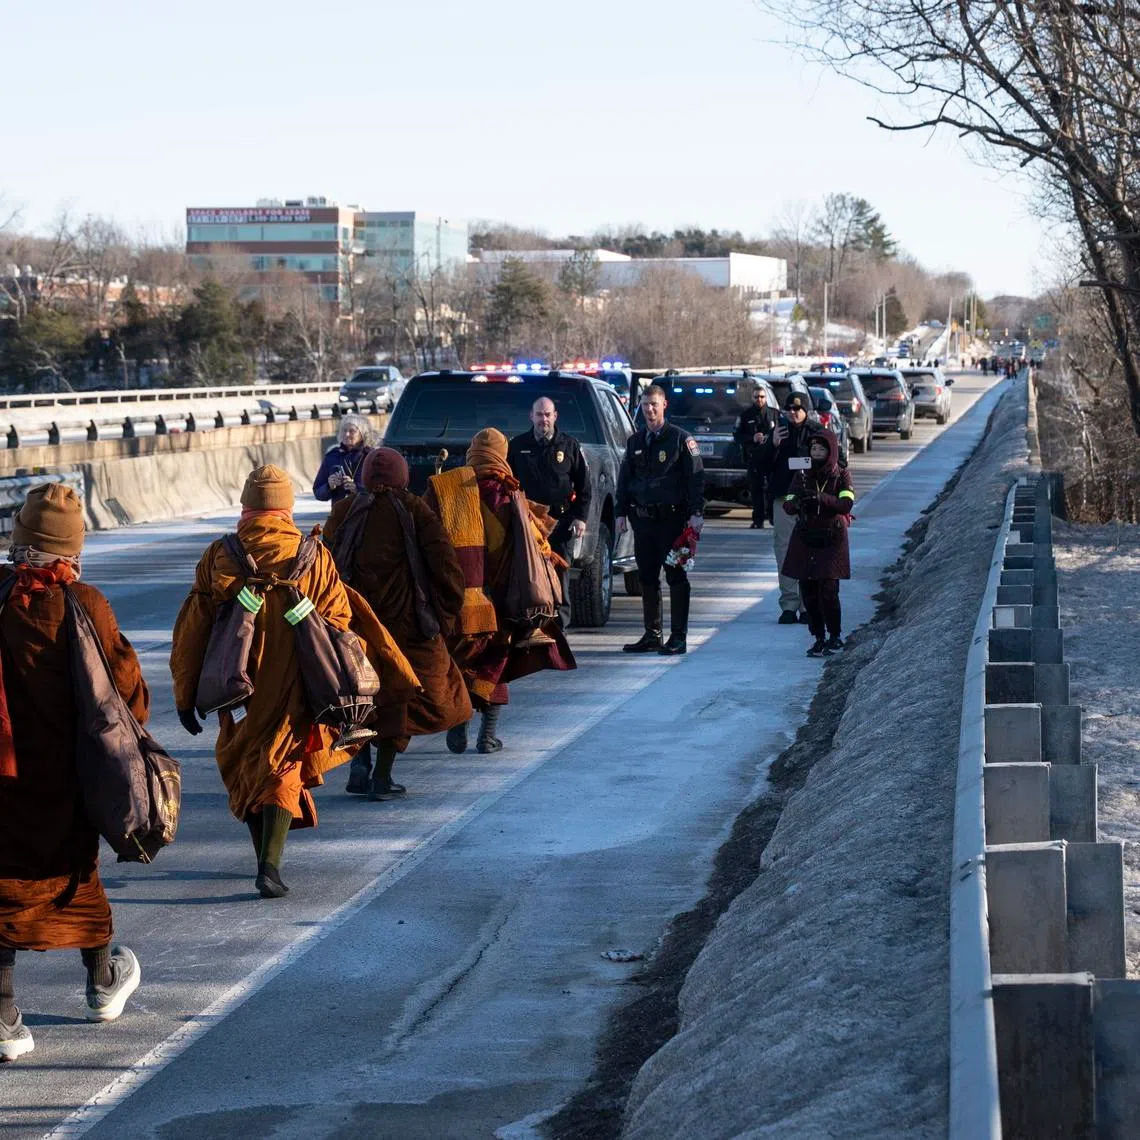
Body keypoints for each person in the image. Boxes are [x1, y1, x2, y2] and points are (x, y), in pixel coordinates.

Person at [171, 465, 400, 899]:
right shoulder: (314, 557)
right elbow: (339, 622)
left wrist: (185, 697)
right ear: (286, 509)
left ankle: (264, 858)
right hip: (297, 684)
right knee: (283, 764)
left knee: (246, 763)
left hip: (235, 687)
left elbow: (191, 633)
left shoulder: (221, 556)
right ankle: (269, 866)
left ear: (246, 507)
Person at [0, 484, 148, 1061]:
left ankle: (5, 1011)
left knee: (6, 882)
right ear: (71, 547)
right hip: (67, 781)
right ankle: (102, 981)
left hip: (6, 779)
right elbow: (125, 697)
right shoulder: (84, 604)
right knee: (75, 876)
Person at [325, 447, 472, 799]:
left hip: (353, 628)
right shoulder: (414, 510)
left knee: (357, 694)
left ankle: (359, 765)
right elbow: (445, 566)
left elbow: (322, 566)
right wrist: (447, 613)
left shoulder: (344, 511)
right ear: (402, 476)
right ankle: (382, 777)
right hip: (406, 629)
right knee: (402, 698)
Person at [423, 428, 576, 754]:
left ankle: (459, 723)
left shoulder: (446, 490)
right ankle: (486, 736)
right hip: (498, 599)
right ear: (501, 456)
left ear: (471, 453)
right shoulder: (508, 496)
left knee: (459, 662)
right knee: (494, 664)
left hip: (454, 600)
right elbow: (538, 547)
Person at [615, 383, 705, 656]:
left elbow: (696, 478)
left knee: (676, 577)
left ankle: (678, 636)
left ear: (664, 405)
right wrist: (620, 512)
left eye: (654, 404)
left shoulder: (680, 439)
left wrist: (696, 513)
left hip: (674, 522)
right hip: (643, 522)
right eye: (645, 405)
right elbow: (625, 480)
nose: (649, 410)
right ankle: (653, 634)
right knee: (647, 578)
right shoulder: (636, 441)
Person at [507, 396, 590, 627]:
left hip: (560, 522)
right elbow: (507, 483)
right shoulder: (517, 446)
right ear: (531, 416)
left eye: (547, 414)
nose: (543, 419)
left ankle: (560, 627)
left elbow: (584, 487)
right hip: (529, 523)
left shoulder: (569, 445)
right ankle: (533, 625)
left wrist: (580, 518)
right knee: (531, 575)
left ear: (555, 416)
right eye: (539, 414)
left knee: (560, 574)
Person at [781, 429, 854, 657]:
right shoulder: (802, 474)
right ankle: (818, 636)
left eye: (822, 449)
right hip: (806, 536)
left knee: (829, 590)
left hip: (832, 538)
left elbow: (846, 504)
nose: (817, 453)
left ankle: (835, 635)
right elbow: (789, 501)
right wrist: (797, 501)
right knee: (809, 592)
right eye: (814, 449)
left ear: (831, 451)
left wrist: (821, 498)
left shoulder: (841, 475)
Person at [757, 391, 821, 624]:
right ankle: (789, 604)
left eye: (797, 409)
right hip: (784, 499)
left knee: (809, 552)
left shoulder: (817, 432)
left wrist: (804, 463)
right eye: (789, 409)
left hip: (811, 501)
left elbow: (835, 461)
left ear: (805, 410)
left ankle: (807, 605)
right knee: (784, 551)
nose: (793, 413)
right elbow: (761, 466)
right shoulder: (778, 432)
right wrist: (772, 444)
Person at [733, 384, 779, 528]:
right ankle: (758, 521)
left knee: (773, 490)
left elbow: (783, 431)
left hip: (772, 459)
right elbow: (737, 436)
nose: (759, 399)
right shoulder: (745, 416)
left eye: (762, 397)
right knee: (756, 490)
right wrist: (752, 438)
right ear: (752, 398)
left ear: (766, 397)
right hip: (754, 458)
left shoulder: (774, 414)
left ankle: (773, 518)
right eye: (756, 397)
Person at [313, 414, 371, 503]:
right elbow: (318, 493)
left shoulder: (370, 456)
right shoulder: (332, 456)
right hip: (340, 513)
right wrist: (329, 486)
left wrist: (357, 489)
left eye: (352, 431)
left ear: (362, 433)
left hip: (365, 512)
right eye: (344, 430)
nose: (347, 434)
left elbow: (379, 492)